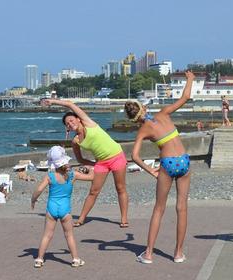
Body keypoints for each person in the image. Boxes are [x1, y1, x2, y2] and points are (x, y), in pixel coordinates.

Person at [124, 70, 194, 264]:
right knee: (182, 207)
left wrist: (151, 170)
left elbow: (134, 156)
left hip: (168, 163)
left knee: (159, 209)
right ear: (143, 108)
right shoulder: (164, 113)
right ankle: (178, 253)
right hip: (184, 161)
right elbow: (186, 97)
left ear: (132, 119)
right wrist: (190, 79)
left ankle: (148, 254)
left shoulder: (143, 130)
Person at [40, 98, 129, 228]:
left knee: (120, 188)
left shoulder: (89, 123)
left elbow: (70, 104)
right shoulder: (75, 141)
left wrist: (52, 101)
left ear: (78, 119)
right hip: (101, 163)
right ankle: (81, 219)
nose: (70, 123)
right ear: (67, 128)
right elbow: (80, 160)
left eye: (71, 120)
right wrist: (95, 165)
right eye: (67, 123)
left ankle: (124, 219)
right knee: (93, 191)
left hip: (116, 156)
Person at [31, 146, 93, 268]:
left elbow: (38, 190)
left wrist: (33, 200)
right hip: (65, 210)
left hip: (51, 208)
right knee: (69, 235)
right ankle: (75, 259)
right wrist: (91, 169)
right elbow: (92, 177)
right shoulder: (72, 175)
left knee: (47, 235)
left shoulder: (50, 176)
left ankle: (39, 259)